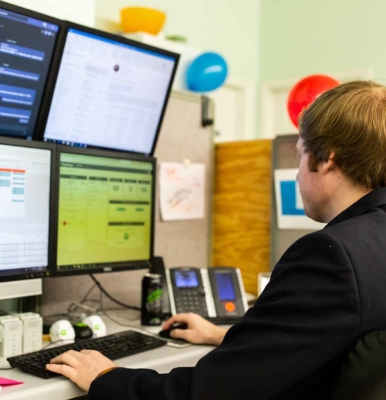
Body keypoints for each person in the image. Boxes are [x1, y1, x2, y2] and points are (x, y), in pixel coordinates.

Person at [46, 80, 386, 399]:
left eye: (300, 154)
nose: (297, 173)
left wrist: (106, 377)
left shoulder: (331, 255)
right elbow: (332, 343)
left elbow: (209, 393)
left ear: (327, 158)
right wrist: (224, 335)